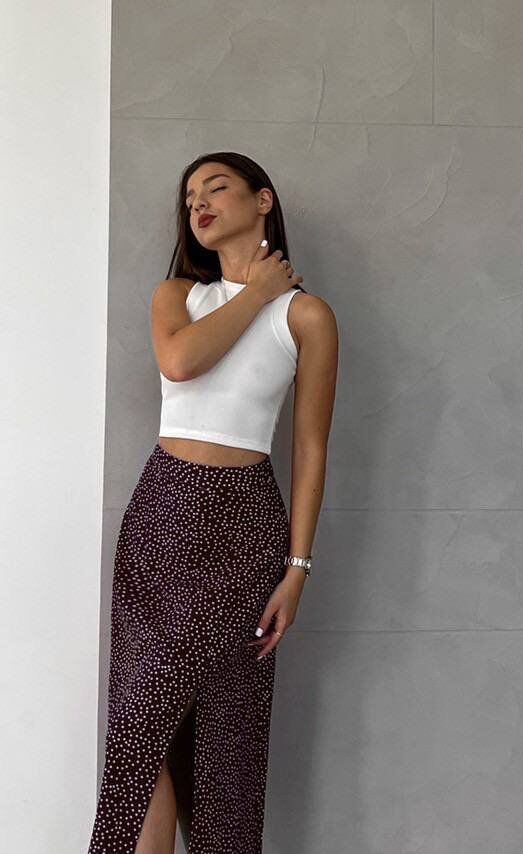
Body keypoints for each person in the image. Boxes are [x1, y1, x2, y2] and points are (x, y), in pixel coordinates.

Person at [87, 151, 339, 853]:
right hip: (162, 514)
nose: (198, 202)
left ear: (262, 200)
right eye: (190, 194)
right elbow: (180, 362)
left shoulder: (308, 316)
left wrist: (297, 569)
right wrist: (255, 293)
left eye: (216, 187)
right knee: (140, 730)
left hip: (245, 525)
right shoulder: (177, 296)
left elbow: (311, 448)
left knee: (228, 735)